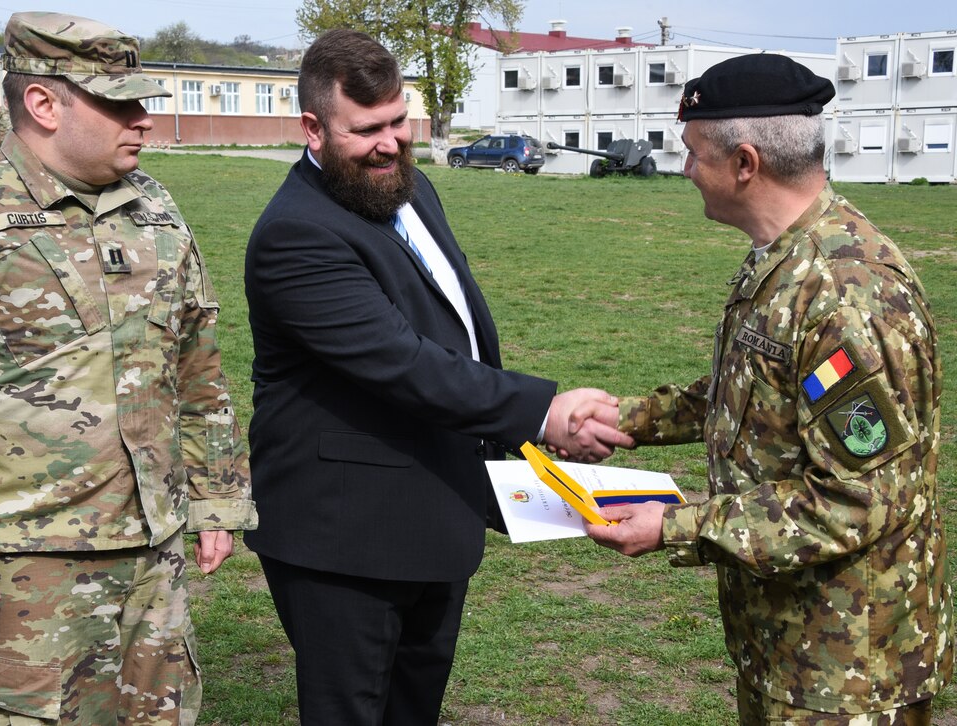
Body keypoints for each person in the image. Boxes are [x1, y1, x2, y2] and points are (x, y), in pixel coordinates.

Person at [0, 11, 256, 725]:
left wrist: (217, 497)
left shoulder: (156, 209)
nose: (142, 119)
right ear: (44, 104)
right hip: (25, 563)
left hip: (153, 553)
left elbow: (198, 361)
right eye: (118, 102)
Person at [244, 28, 628, 725]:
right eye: (366, 130)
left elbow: (456, 335)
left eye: (399, 121)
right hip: (345, 540)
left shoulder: (407, 193)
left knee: (412, 710)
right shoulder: (295, 233)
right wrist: (542, 411)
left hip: (435, 512)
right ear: (313, 128)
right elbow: (402, 361)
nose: (391, 143)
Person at [581, 54, 952, 724]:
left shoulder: (845, 297)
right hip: (791, 647)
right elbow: (753, 387)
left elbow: (855, 502)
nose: (685, 169)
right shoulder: (786, 256)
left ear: (744, 163)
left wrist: (674, 524)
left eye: (692, 153)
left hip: (847, 672)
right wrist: (628, 417)